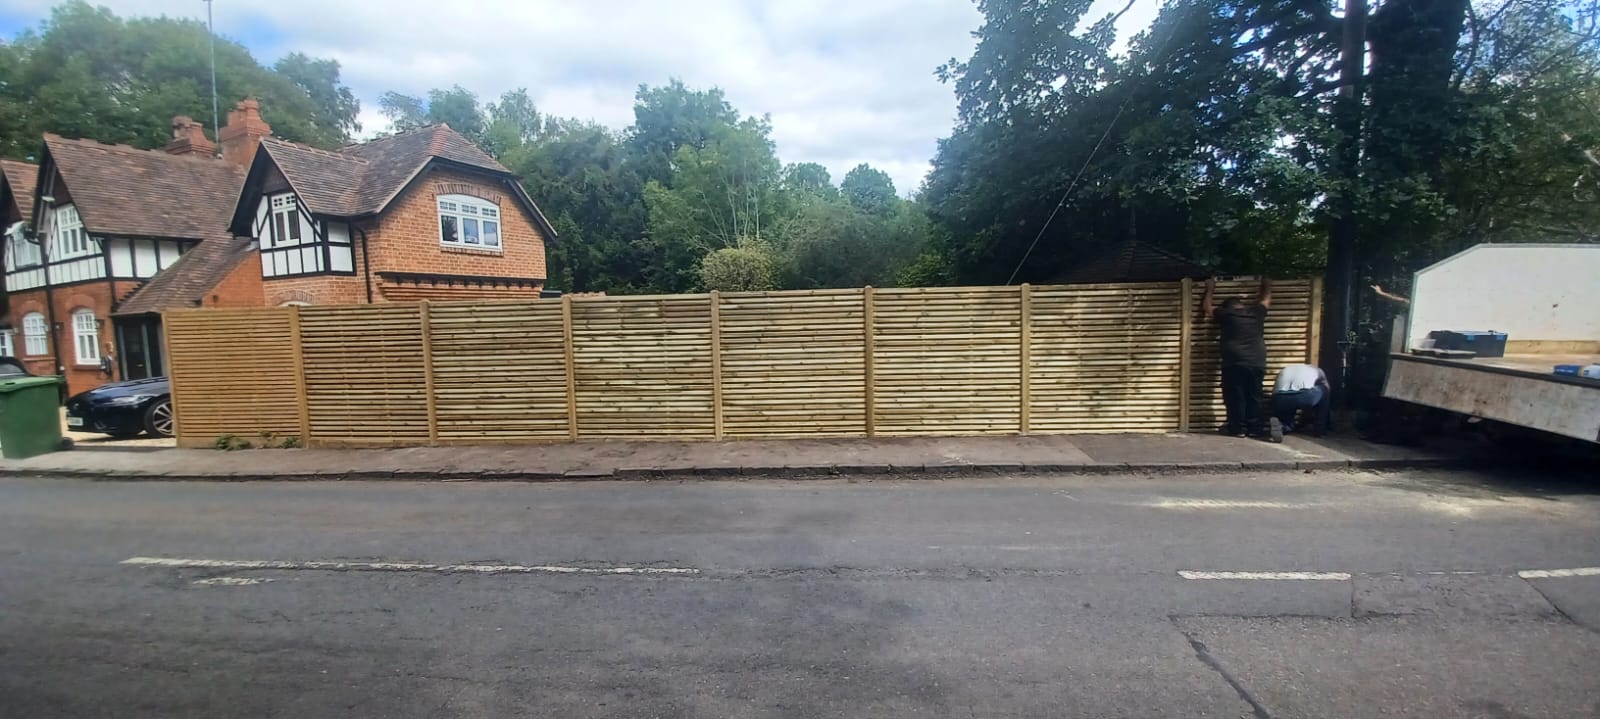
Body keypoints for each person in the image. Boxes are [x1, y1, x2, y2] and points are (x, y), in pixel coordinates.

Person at [1204, 278, 1272, 439]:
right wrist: (1267, 284)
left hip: (1234, 362)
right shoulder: (1256, 313)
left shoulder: (1226, 314)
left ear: (1227, 307)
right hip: (1257, 361)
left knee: (1235, 396)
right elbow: (1266, 299)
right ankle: (1255, 428)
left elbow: (1207, 308)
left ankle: (1238, 429)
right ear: (1241, 305)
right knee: (1254, 395)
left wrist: (1210, 288)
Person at [1272, 363, 1331, 437]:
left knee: (1287, 416)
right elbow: (1327, 387)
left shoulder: (1286, 369)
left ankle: (1282, 426)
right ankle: (1320, 430)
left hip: (1279, 398)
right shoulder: (1317, 370)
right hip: (1303, 396)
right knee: (1324, 390)